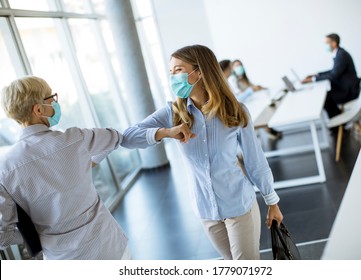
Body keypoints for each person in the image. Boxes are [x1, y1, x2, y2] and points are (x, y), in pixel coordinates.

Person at [121, 45, 283, 260]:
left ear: (199, 71)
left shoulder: (235, 110)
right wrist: (166, 132)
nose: (173, 77)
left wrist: (272, 202)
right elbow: (127, 137)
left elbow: (255, 161)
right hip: (206, 210)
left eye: (178, 70)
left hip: (239, 205)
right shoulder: (173, 113)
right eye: (171, 72)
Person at [0, 76, 189, 260]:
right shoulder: (75, 139)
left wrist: (38, 233)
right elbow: (115, 138)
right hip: (108, 247)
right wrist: (86, 162)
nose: (56, 103)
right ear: (39, 109)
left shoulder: (4, 169)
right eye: (51, 98)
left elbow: (3, 236)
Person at [220, 59, 281, 140]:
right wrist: (251, 90)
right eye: (232, 67)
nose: (233, 70)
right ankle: (266, 131)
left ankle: (266, 131)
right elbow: (237, 98)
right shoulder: (230, 81)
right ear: (226, 69)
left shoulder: (231, 80)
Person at [302, 33, 360, 118]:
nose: (326, 46)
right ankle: (338, 122)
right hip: (347, 87)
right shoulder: (339, 53)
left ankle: (338, 124)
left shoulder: (341, 55)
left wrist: (313, 79)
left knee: (325, 98)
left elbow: (333, 75)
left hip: (349, 90)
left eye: (327, 43)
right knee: (327, 96)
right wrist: (317, 75)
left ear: (334, 43)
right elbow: (333, 71)